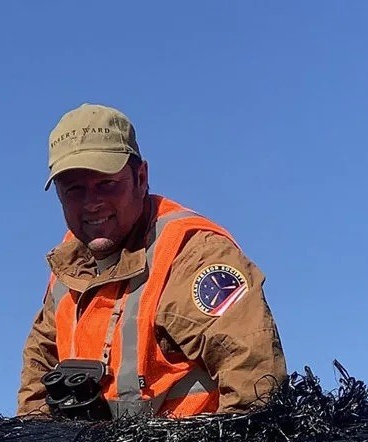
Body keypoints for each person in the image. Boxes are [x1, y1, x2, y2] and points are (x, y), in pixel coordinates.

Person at [16, 104, 286, 419]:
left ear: (141, 177)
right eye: (75, 190)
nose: (92, 203)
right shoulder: (68, 267)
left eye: (107, 183)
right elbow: (37, 382)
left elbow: (254, 378)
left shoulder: (192, 255)